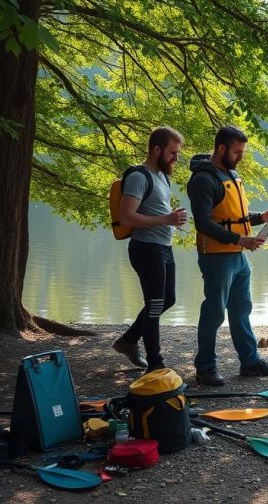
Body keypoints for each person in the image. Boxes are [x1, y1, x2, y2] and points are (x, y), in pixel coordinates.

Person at [187, 125, 268, 386]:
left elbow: (234, 217)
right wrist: (241, 239)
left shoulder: (229, 174)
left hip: (238, 256)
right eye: (237, 152)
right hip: (217, 257)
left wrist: (262, 217)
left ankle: (250, 362)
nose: (241, 157)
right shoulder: (203, 180)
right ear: (221, 148)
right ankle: (205, 367)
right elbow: (204, 224)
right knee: (214, 312)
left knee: (242, 309)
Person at [113, 127, 188, 372]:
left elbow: (156, 211)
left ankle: (128, 341)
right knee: (155, 303)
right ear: (157, 150)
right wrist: (166, 220)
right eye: (173, 153)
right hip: (146, 249)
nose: (176, 158)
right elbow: (126, 217)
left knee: (168, 299)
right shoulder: (138, 176)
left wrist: (170, 219)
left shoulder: (162, 176)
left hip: (163, 248)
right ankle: (156, 365)